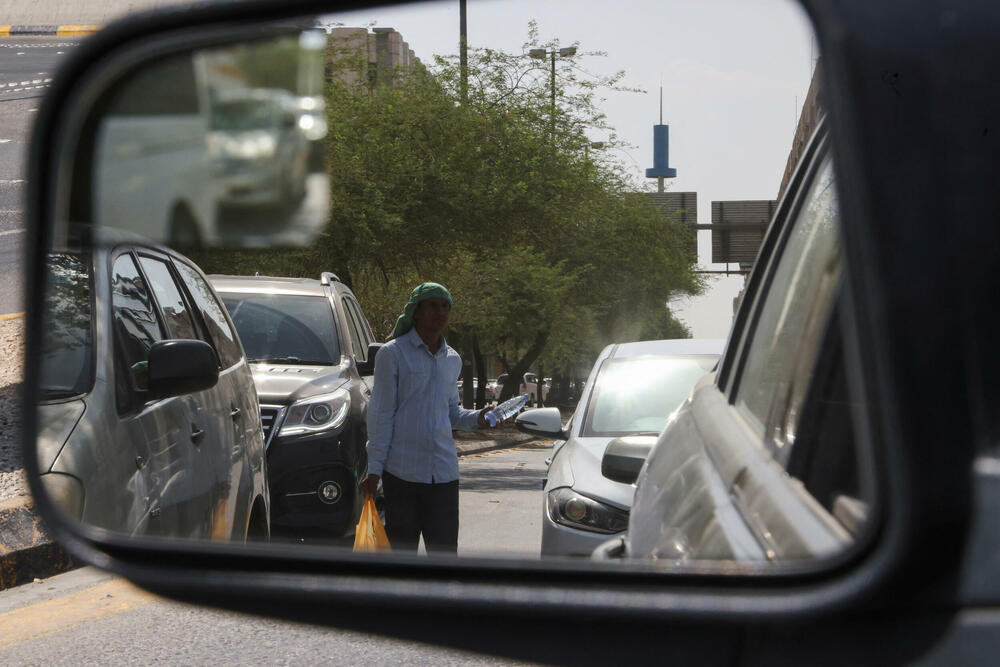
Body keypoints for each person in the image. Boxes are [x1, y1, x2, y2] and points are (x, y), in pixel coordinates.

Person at [361, 282, 492, 553]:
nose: (440, 312)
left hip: (444, 477)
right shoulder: (392, 354)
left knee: (444, 559)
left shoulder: (452, 359)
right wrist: (374, 470)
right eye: (433, 305)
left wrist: (479, 418)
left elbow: (452, 413)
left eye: (445, 307)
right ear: (416, 311)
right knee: (402, 558)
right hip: (402, 476)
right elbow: (381, 415)